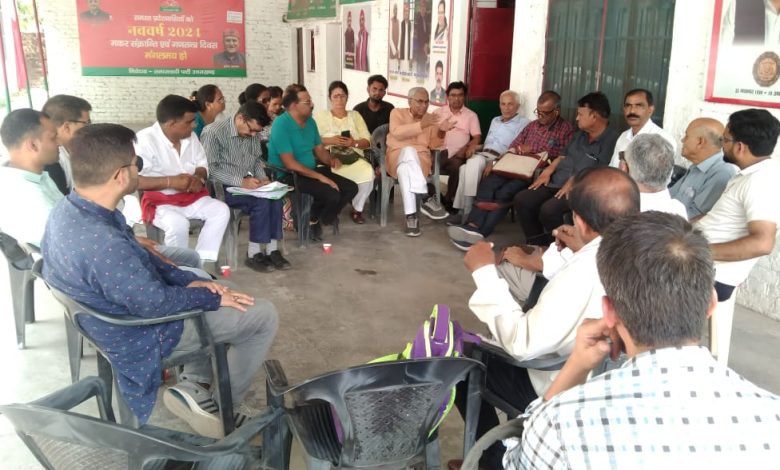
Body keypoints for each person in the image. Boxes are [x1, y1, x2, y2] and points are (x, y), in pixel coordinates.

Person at [40, 123, 278, 438]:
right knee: (263, 314)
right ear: (120, 176)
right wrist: (207, 296)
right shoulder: (101, 241)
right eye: (136, 163)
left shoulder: (72, 208)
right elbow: (155, 304)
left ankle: (194, 385)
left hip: (107, 319)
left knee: (218, 287)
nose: (139, 170)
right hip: (138, 334)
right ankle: (223, 409)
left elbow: (145, 259)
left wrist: (190, 282)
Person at [509, 211, 780, 468]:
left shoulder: (560, 423)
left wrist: (576, 366)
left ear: (609, 313)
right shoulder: (772, 415)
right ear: (711, 303)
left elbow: (520, 459)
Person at [452, 167, 641, 470]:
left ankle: (492, 460)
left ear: (579, 220)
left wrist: (483, 272)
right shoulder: (641, 251)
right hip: (607, 380)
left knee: (459, 360)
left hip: (557, 383)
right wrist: (583, 248)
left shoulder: (583, 273)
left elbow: (522, 344)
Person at [695, 108, 780, 364]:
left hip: (709, 274)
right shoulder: (749, 175)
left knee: (626, 267)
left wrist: (696, 250)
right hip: (700, 261)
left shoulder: (760, 182)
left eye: (725, 140)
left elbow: (762, 242)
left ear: (740, 147)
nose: (722, 145)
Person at [448, 91, 575, 250]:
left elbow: (562, 155)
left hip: (531, 172)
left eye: (545, 113)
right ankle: (472, 225)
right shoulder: (532, 126)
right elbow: (514, 145)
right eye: (538, 112)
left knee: (505, 193)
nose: (540, 116)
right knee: (488, 184)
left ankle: (481, 233)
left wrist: (532, 149)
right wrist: (497, 161)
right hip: (511, 164)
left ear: (556, 111)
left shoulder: (566, 129)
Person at [513, 92, 618, 245]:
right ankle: (536, 243)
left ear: (594, 116)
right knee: (523, 199)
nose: (577, 118)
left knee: (549, 210)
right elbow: (562, 155)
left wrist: (574, 181)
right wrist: (548, 170)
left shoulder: (612, 140)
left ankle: (561, 247)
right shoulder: (580, 134)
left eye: (580, 114)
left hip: (581, 189)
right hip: (557, 182)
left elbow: (602, 171)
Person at [136, 95, 230, 263]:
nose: (194, 125)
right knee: (177, 224)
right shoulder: (144, 140)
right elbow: (136, 180)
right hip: (161, 202)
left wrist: (199, 178)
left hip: (192, 197)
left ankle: (200, 261)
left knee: (221, 211)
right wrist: (171, 182)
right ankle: (178, 267)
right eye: (189, 122)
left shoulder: (190, 137)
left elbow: (202, 164)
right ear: (171, 124)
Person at [202, 100, 291, 273]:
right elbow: (210, 170)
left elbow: (256, 160)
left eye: (256, 132)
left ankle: (272, 250)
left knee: (275, 197)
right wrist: (240, 181)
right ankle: (253, 253)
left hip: (246, 185)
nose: (253, 135)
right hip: (222, 188)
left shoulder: (252, 132)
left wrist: (263, 179)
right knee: (261, 202)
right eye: (251, 130)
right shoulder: (213, 132)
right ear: (241, 118)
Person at [267, 86, 358, 240]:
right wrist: (321, 177)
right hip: (288, 174)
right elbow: (290, 164)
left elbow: (319, 149)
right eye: (307, 102)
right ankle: (311, 219)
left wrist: (330, 160)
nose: (312, 104)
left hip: (310, 170)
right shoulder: (281, 125)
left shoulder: (310, 122)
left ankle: (315, 218)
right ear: (294, 105)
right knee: (331, 194)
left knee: (350, 188)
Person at [449, 90, 530, 219]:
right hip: (484, 154)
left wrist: (495, 162)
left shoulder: (524, 123)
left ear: (518, 106)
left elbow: (515, 149)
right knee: (464, 168)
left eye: (510, 104)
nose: (506, 108)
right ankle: (463, 211)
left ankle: (467, 210)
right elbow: (487, 145)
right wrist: (473, 147)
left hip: (501, 159)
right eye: (503, 104)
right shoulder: (495, 120)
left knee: (472, 164)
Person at [386, 87, 453, 236]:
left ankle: (411, 218)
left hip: (420, 163)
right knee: (409, 151)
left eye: (427, 102)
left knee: (405, 170)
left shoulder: (431, 119)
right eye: (420, 101)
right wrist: (422, 124)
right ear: (410, 101)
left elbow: (434, 145)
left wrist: (442, 131)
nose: (424, 105)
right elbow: (397, 132)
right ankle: (425, 196)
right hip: (396, 157)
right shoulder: (397, 113)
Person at [314, 81, 374, 224]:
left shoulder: (355, 115)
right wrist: (331, 140)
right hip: (329, 159)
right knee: (330, 175)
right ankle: (334, 207)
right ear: (330, 98)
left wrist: (353, 143)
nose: (339, 100)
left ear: (347, 97)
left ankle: (357, 209)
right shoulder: (321, 116)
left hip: (352, 157)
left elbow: (368, 141)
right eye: (335, 96)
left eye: (342, 96)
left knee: (368, 172)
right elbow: (312, 139)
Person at [0, 109, 60, 246]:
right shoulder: (26, 197)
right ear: (33, 145)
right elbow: (69, 245)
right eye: (53, 138)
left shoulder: (34, 178)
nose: (59, 143)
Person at [669, 117, 737, 219]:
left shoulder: (722, 173)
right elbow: (670, 197)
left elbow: (695, 218)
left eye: (687, 136)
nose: (682, 140)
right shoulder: (696, 167)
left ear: (700, 142)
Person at [435, 81, 481, 209]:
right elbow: (429, 133)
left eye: (460, 95)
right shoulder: (438, 112)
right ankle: (434, 196)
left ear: (464, 96)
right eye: (453, 95)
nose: (456, 98)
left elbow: (477, 137)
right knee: (425, 166)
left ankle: (449, 199)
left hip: (457, 154)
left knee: (457, 166)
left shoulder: (471, 116)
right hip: (438, 151)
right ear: (447, 96)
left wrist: (467, 148)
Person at [621, 134, 688, 218]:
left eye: (622, 156)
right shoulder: (679, 210)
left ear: (624, 168)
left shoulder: (618, 211)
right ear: (670, 170)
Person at [608, 88, 675, 168]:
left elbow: (662, 175)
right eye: (628, 106)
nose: (632, 111)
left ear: (651, 110)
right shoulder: (623, 137)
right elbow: (612, 168)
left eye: (639, 106)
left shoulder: (664, 140)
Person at [41, 94, 93, 194]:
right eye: (86, 123)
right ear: (67, 127)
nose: (89, 128)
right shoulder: (52, 161)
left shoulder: (70, 150)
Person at [413, 0, 431, 76]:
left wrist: (427, 44)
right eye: (421, 7)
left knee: (424, 68)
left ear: (425, 8)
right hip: (420, 49)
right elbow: (417, 36)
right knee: (419, 68)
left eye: (424, 7)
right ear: (420, 8)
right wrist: (423, 47)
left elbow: (428, 33)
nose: (423, 9)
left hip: (426, 47)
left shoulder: (427, 19)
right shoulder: (417, 19)